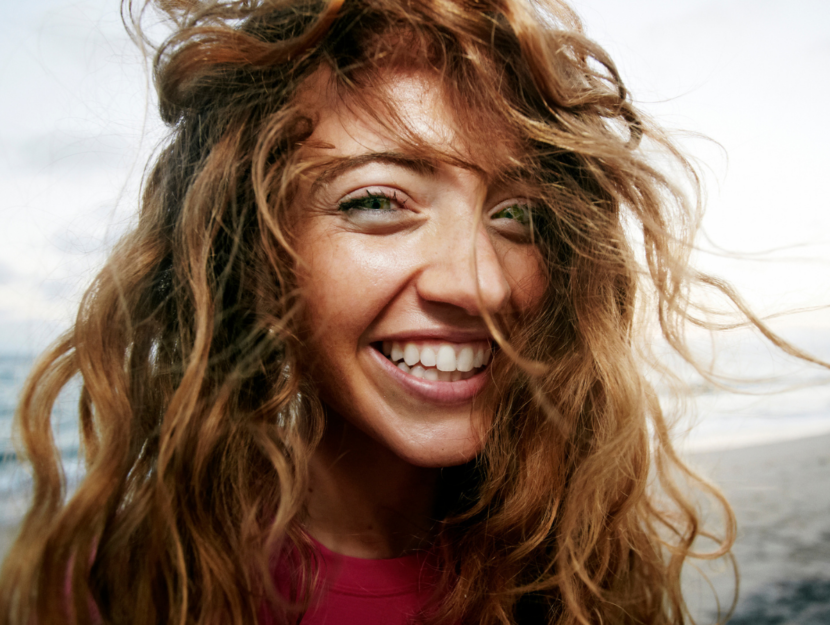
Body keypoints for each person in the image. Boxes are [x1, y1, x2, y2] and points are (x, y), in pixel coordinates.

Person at [4, 0, 812, 623]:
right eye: (378, 201)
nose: (481, 283)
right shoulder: (118, 587)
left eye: (518, 216)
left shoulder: (579, 566)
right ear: (252, 248)